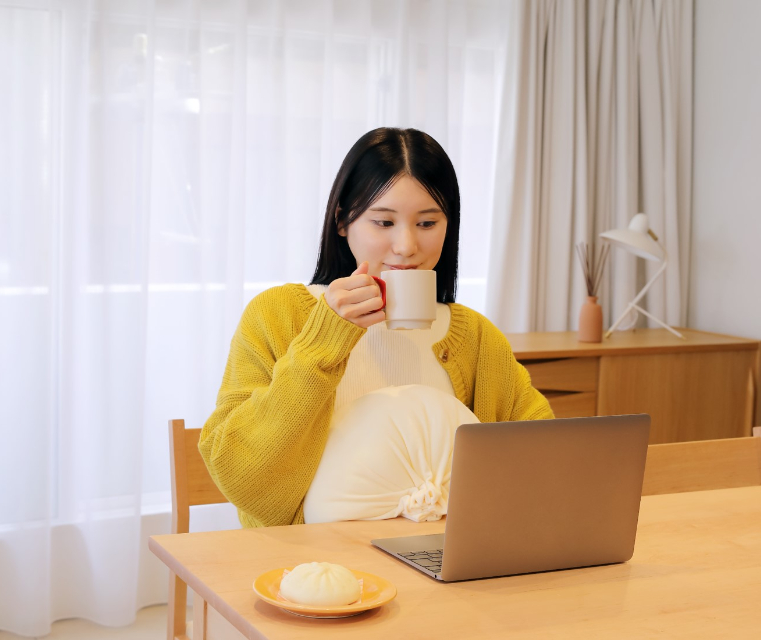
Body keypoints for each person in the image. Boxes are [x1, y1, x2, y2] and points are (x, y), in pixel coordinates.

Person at [199, 127, 554, 528]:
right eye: (383, 222)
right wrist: (324, 341)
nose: (406, 246)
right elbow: (240, 476)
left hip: (444, 567)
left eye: (427, 223)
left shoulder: (473, 335)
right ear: (342, 221)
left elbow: (541, 454)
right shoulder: (279, 316)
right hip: (310, 570)